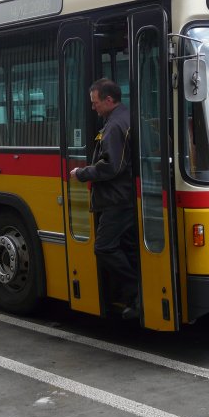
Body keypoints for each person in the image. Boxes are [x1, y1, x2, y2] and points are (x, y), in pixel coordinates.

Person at [69, 78, 139, 320]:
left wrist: (82, 173)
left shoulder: (114, 126)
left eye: (95, 102)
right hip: (126, 197)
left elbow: (111, 166)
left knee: (104, 247)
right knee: (128, 247)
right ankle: (133, 300)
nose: (93, 107)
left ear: (109, 100)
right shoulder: (126, 117)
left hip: (115, 200)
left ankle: (134, 291)